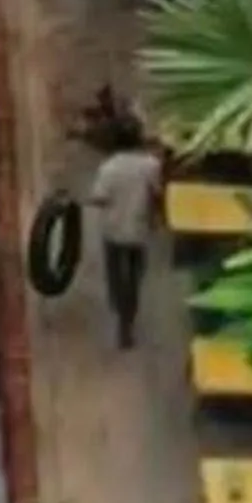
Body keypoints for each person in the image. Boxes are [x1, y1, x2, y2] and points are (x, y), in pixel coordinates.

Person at [84, 119, 164, 347]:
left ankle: (119, 306)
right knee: (135, 276)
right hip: (139, 230)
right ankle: (128, 316)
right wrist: (157, 217)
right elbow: (156, 193)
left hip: (113, 230)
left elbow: (99, 198)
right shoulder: (151, 165)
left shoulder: (109, 168)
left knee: (115, 273)